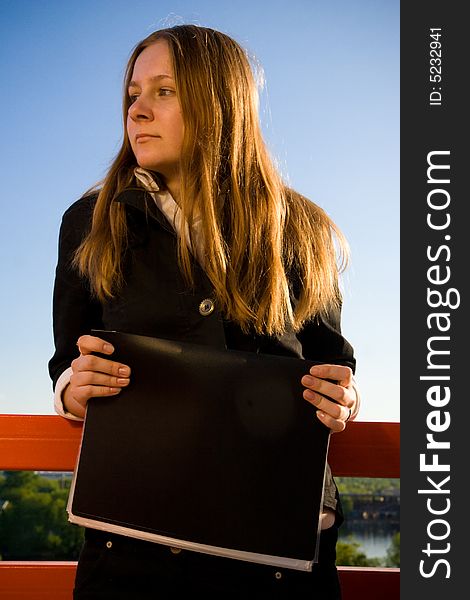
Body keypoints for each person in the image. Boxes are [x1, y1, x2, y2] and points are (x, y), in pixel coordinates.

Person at [49, 23, 360, 599]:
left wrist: (342, 397)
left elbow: (334, 364)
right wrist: (74, 385)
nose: (137, 110)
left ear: (221, 103)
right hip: (133, 559)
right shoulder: (89, 222)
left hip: (277, 557)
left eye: (163, 91)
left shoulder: (303, 230)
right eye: (132, 94)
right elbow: (66, 362)